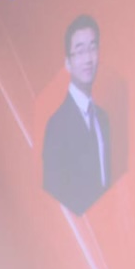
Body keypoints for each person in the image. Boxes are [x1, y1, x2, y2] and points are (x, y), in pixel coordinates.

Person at [43, 14, 112, 216]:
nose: (88, 59)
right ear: (68, 63)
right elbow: (54, 194)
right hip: (79, 231)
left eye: (93, 48)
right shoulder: (56, 125)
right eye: (80, 51)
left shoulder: (103, 119)